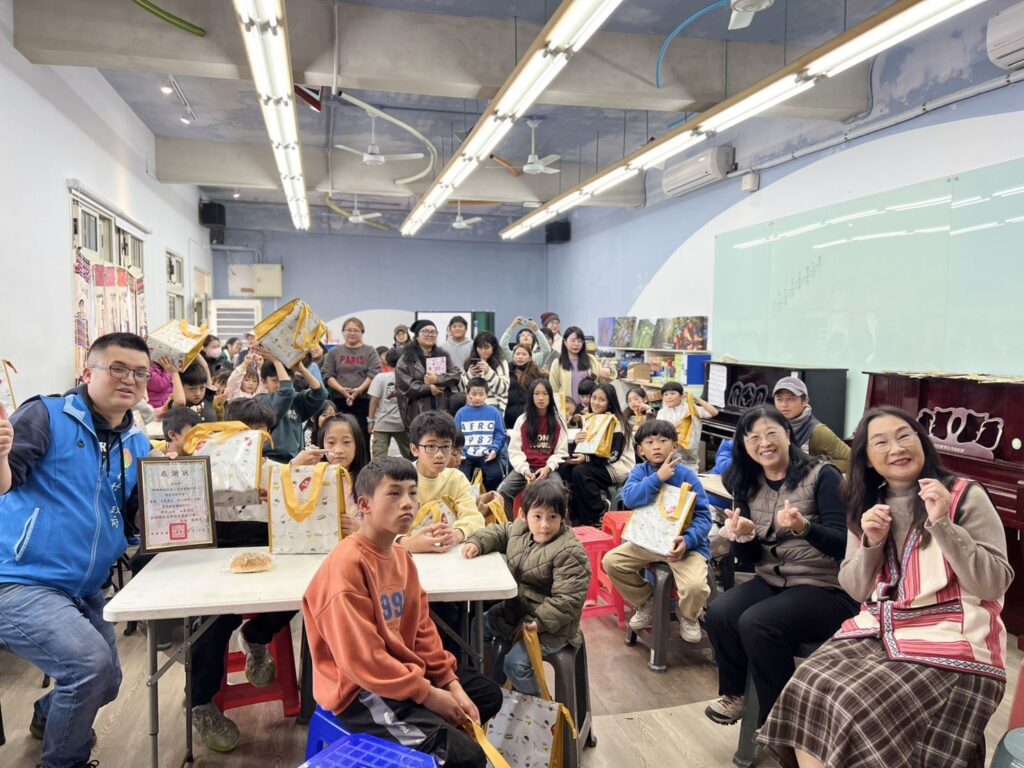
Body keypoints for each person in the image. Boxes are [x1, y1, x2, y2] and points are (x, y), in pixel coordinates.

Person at [758, 406, 1012, 768]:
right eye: (881, 443)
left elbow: (993, 583)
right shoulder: (865, 503)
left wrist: (943, 524)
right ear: (867, 459)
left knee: (853, 703)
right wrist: (871, 544)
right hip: (880, 628)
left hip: (953, 639)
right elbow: (856, 589)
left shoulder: (963, 495)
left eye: (904, 436)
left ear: (922, 442)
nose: (896, 448)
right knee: (806, 686)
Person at [0, 333, 154, 768]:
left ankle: (48, 715)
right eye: (117, 368)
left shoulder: (136, 441)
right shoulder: (46, 415)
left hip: (85, 588)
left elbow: (139, 518)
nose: (129, 380)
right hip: (19, 580)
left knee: (108, 681)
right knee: (90, 668)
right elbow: (5, 483)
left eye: (140, 373)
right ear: (88, 372)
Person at [302, 457, 503, 768]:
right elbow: (363, 661)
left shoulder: (400, 556)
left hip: (399, 671)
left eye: (412, 492)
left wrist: (449, 683)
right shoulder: (346, 567)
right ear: (365, 505)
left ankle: (429, 739)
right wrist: (429, 695)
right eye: (394, 493)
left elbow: (422, 630)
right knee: (465, 756)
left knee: (487, 695)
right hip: (360, 690)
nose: (407, 502)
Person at [704, 405, 857, 727]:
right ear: (744, 444)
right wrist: (744, 536)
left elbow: (843, 545)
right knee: (719, 612)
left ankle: (779, 722)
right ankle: (736, 695)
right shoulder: (746, 483)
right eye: (753, 437)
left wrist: (804, 528)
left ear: (788, 435)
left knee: (758, 622)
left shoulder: (822, 475)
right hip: (773, 580)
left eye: (771, 433)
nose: (764, 443)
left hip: (825, 587)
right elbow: (750, 560)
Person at [188, 397, 291, 753]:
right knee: (211, 622)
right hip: (215, 560)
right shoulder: (206, 471)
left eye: (260, 438)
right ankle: (200, 704)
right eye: (243, 437)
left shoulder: (279, 472)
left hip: (268, 557)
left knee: (305, 592)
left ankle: (256, 637)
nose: (251, 445)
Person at [464, 478, 590, 694]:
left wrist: (539, 622)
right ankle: (487, 683)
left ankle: (536, 704)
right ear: (523, 515)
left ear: (563, 517)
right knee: (477, 626)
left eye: (553, 517)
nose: (545, 525)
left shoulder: (569, 551)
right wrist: (477, 543)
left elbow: (568, 600)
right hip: (515, 611)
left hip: (551, 627)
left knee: (515, 664)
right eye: (537, 516)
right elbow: (501, 532)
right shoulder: (521, 529)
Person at [603, 420, 713, 643]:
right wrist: (657, 478)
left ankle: (688, 615)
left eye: (663, 441)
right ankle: (646, 600)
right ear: (640, 450)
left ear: (674, 446)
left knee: (695, 586)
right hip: (648, 542)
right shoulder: (640, 472)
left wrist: (688, 540)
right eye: (650, 442)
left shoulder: (687, 475)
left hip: (683, 547)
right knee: (612, 562)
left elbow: (704, 517)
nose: (656, 446)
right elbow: (630, 498)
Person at [400, 411, 484, 554]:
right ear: (414, 449)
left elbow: (473, 517)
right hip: (406, 555)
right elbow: (382, 525)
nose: (439, 454)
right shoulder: (400, 478)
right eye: (431, 447)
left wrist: (456, 534)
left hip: (449, 554)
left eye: (445, 447)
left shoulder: (456, 478)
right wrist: (408, 543)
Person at [558, 382, 635, 526]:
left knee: (581, 472)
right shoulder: (591, 418)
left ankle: (598, 512)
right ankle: (575, 514)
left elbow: (613, 455)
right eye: (594, 398)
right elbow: (587, 448)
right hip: (595, 462)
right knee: (565, 468)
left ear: (610, 403)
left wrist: (586, 458)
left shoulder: (617, 422)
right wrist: (577, 441)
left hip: (616, 466)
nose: (596, 402)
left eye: (601, 399)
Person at [498, 378, 569, 516]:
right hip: (525, 469)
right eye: (536, 394)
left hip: (548, 469)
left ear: (550, 396)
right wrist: (524, 470)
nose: (541, 398)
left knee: (560, 492)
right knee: (502, 492)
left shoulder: (558, 421)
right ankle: (511, 525)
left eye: (545, 393)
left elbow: (561, 451)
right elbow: (514, 451)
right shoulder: (522, 420)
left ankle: (558, 525)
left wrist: (548, 468)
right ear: (531, 396)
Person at [291, 413, 368, 536]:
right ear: (322, 445)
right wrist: (296, 464)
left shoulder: (371, 481)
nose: (338, 450)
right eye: (331, 443)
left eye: (346, 442)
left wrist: (361, 530)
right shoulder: (312, 476)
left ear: (357, 445)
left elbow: (382, 524)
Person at [257, 349, 328, 464]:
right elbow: (286, 392)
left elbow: (320, 394)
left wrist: (302, 369)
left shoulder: (295, 400)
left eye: (283, 380)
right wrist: (276, 361)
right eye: (275, 380)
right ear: (264, 381)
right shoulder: (261, 401)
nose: (280, 385)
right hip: (269, 459)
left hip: (296, 458)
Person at [773, 376, 851, 475]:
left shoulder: (818, 431)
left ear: (805, 401)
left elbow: (852, 460)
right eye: (779, 399)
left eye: (790, 399)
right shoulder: (769, 426)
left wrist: (814, 466)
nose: (784, 404)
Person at [395, 320, 462, 429]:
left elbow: (456, 374)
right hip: (417, 410)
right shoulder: (406, 359)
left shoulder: (442, 355)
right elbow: (404, 386)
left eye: (433, 332)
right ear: (417, 336)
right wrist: (428, 388)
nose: (430, 335)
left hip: (442, 407)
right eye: (425, 332)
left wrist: (438, 379)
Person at [322, 317, 380, 438]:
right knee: (340, 434)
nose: (352, 333)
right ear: (343, 332)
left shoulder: (370, 351)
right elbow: (327, 374)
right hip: (339, 400)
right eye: (349, 330)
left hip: (364, 400)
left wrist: (359, 390)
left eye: (356, 330)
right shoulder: (333, 353)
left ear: (362, 332)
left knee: (362, 436)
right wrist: (342, 390)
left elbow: (374, 373)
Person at [454, 378, 506, 492]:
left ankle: (490, 497)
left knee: (495, 476)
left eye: (481, 394)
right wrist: (461, 452)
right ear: (468, 394)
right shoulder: (461, 413)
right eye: (474, 394)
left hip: (487, 454)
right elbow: (455, 436)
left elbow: (500, 434)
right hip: (466, 454)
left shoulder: (494, 412)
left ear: (486, 394)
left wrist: (494, 450)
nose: (477, 397)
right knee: (460, 477)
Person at [656, 382, 719, 472]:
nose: (669, 397)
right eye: (665, 394)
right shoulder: (662, 412)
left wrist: (696, 399)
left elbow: (714, 412)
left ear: (681, 396)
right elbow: (660, 430)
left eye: (672, 393)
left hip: (690, 458)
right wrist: (674, 425)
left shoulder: (691, 409)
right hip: (669, 458)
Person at [548, 326, 616, 405]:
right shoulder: (557, 363)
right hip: (567, 407)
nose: (576, 344)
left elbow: (602, 380)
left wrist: (608, 370)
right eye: (573, 340)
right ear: (565, 342)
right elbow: (553, 389)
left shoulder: (590, 360)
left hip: (590, 407)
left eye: (579, 341)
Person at [368, 347, 412, 460]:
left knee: (378, 459)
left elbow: (374, 400)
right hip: (403, 424)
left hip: (382, 423)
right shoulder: (408, 378)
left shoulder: (380, 377)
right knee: (411, 455)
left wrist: (370, 420)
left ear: (386, 361)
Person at [459, 331, 510, 415]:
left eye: (486, 347)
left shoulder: (501, 363)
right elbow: (461, 389)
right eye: (480, 347)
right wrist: (469, 375)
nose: (483, 351)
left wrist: (488, 372)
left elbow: (503, 389)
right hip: (471, 404)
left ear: (493, 347)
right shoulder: (470, 363)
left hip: (494, 404)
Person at [504, 344, 543, 430]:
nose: (520, 357)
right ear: (513, 356)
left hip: (530, 415)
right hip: (509, 415)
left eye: (524, 354)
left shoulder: (536, 373)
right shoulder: (506, 371)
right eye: (517, 354)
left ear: (530, 357)